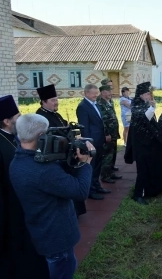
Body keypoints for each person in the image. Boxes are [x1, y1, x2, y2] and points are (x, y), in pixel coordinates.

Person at [9, 113, 93, 279]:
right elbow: (80, 191)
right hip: (57, 237)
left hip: (41, 230)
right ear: (41, 136)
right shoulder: (42, 171)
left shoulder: (18, 160)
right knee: (64, 271)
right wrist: (86, 162)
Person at [0, 96, 49, 278]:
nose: (20, 119)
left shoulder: (14, 137)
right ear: (6, 121)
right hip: (11, 208)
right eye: (17, 116)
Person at [36, 84, 87, 217]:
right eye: (52, 100)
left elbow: (64, 127)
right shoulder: (40, 116)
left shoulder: (56, 114)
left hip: (67, 154)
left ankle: (77, 211)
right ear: (43, 102)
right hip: (55, 157)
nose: (56, 102)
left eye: (56, 99)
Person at [125, 82, 162, 205]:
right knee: (143, 170)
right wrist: (152, 108)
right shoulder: (136, 105)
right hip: (141, 144)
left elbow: (151, 122)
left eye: (150, 94)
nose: (149, 96)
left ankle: (152, 190)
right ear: (141, 95)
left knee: (152, 167)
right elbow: (143, 118)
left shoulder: (145, 104)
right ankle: (138, 194)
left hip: (150, 143)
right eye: (147, 94)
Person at [76, 84, 111, 200]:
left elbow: (100, 122)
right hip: (91, 142)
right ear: (86, 93)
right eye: (93, 93)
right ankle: (91, 190)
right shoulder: (82, 107)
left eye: (97, 92)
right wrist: (88, 143)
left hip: (99, 140)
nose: (96, 95)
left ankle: (97, 186)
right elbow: (84, 127)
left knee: (98, 165)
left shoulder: (95, 104)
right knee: (91, 166)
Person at [97, 85, 123, 184]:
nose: (110, 93)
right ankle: (105, 175)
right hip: (108, 134)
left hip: (113, 133)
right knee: (107, 154)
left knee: (113, 153)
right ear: (103, 92)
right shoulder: (100, 103)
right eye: (108, 91)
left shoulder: (109, 102)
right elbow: (103, 121)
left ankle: (111, 172)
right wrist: (106, 134)